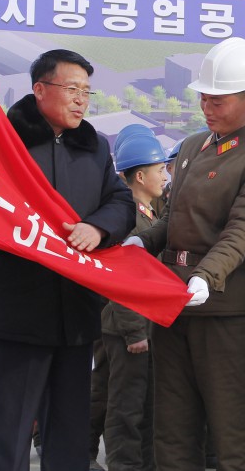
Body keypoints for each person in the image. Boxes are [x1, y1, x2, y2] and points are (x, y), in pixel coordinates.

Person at [131, 37, 245, 471]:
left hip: (224, 309)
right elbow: (172, 216)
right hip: (174, 302)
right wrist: (142, 241)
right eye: (204, 95)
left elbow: (243, 231)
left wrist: (206, 274)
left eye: (219, 98)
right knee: (173, 426)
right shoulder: (192, 146)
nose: (207, 105)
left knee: (231, 427)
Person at [0, 49, 135, 471]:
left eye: (86, 90)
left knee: (68, 429)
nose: (81, 99)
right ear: (40, 89)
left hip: (75, 311)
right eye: (72, 89)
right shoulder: (2, 141)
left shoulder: (95, 146)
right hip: (18, 310)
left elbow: (120, 201)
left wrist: (98, 228)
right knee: (6, 428)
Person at [101, 132, 170, 471]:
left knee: (144, 405)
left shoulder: (147, 214)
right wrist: (134, 333)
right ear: (140, 176)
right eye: (160, 169)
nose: (165, 176)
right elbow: (122, 282)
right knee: (126, 407)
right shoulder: (129, 218)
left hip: (145, 325)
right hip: (130, 330)